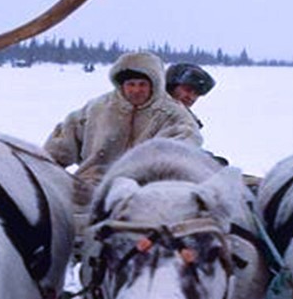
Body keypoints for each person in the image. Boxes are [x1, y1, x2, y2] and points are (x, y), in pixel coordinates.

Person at [44, 51, 201, 207]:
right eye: (131, 84)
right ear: (121, 85)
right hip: (90, 188)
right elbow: (59, 148)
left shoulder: (173, 115)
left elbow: (183, 146)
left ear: (155, 84)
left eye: (142, 84)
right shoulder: (97, 109)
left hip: (145, 193)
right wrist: (45, 172)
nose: (136, 90)